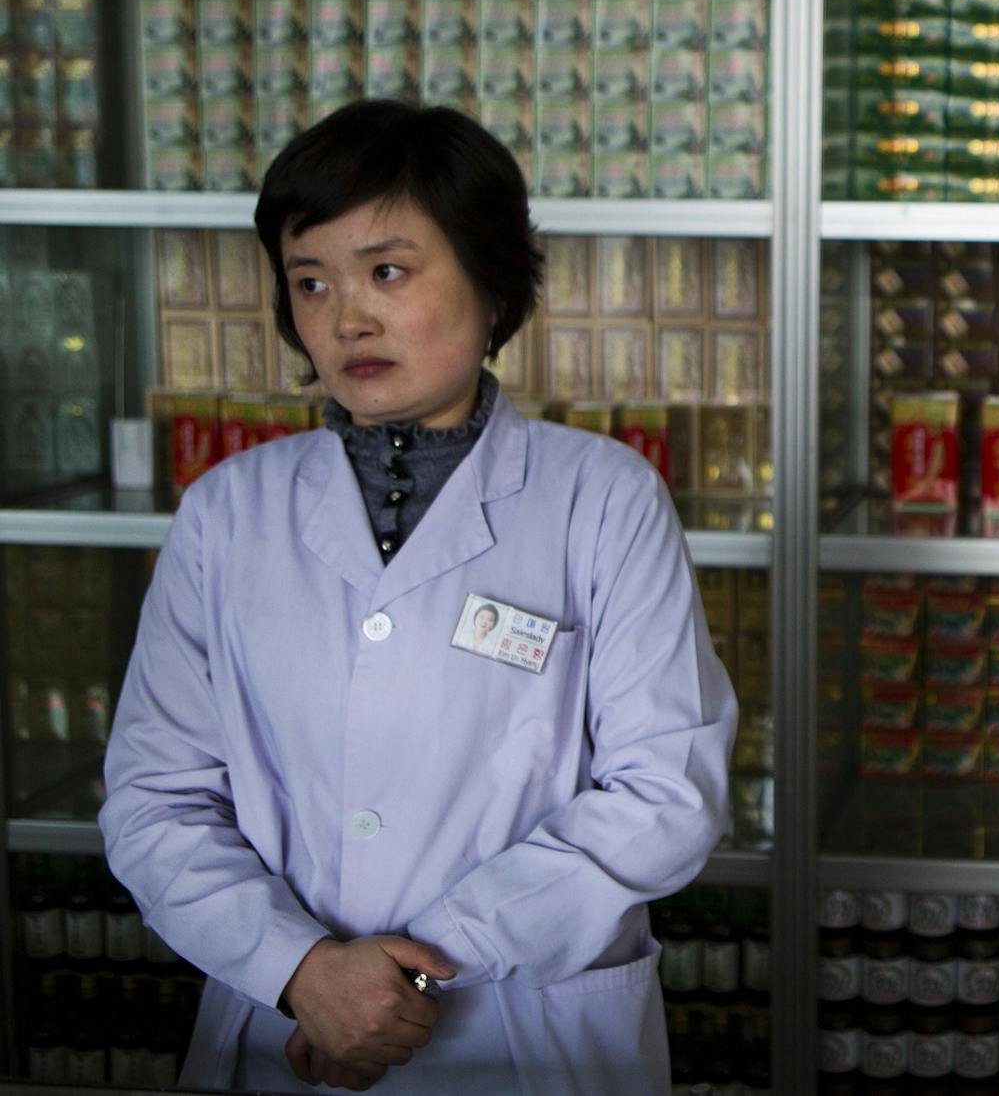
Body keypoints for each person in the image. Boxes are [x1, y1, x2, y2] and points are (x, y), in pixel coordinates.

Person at [100, 100, 738, 1094]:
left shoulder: (602, 495)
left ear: (490, 278)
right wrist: (302, 969)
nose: (346, 315)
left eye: (387, 271)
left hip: (529, 1038)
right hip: (284, 1032)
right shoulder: (227, 512)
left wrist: (426, 958)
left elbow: (665, 792)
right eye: (310, 282)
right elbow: (154, 798)